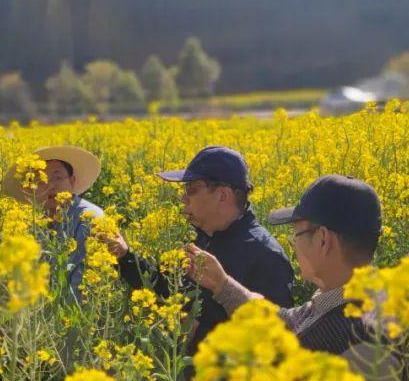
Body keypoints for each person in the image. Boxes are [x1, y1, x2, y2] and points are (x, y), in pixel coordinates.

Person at [184, 174, 403, 381]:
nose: (292, 245)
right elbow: (287, 323)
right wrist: (222, 284)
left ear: (323, 240)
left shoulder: (356, 330)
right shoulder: (358, 298)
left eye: (297, 235)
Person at [101, 146, 293, 352]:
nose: (183, 198)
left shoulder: (266, 256)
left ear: (222, 195)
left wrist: (198, 336)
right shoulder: (204, 236)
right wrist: (125, 256)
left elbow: (274, 346)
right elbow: (166, 288)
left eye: (191, 189)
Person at [1, 146, 104, 301]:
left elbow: (85, 281)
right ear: (30, 188)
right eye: (41, 180)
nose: (50, 185)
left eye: (57, 177)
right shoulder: (29, 221)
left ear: (72, 181)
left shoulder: (90, 217)